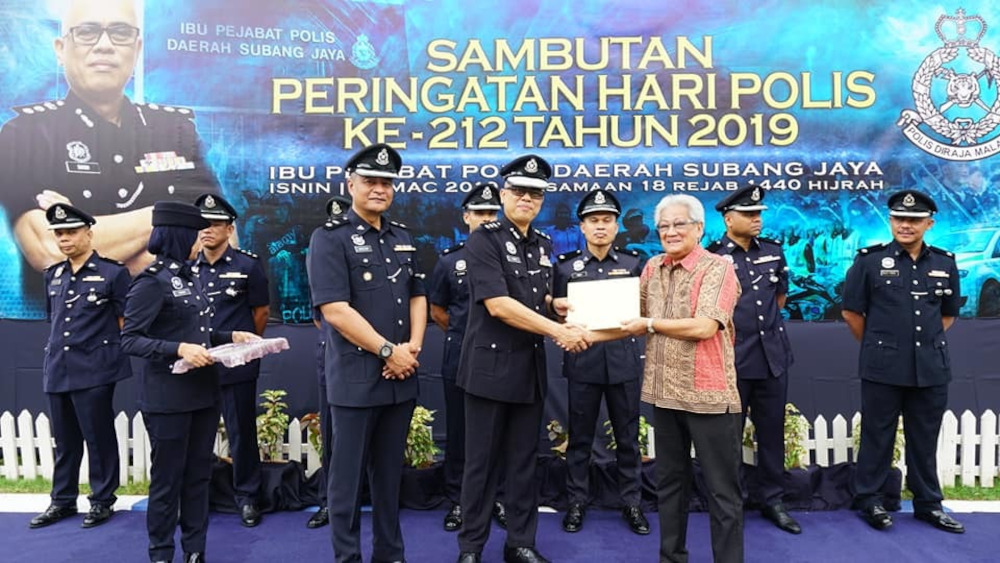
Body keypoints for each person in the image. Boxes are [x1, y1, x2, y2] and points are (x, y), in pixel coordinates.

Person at [0, 0, 221, 313]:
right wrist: (173, 217)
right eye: (88, 32)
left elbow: (219, 243)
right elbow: (50, 251)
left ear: (137, 48)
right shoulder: (25, 135)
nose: (104, 46)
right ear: (61, 49)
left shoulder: (176, 131)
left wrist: (84, 231)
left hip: (171, 329)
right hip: (74, 329)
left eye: (119, 33)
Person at [594, 194, 744, 562]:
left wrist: (648, 324)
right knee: (669, 486)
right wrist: (581, 330)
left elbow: (705, 326)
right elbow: (627, 319)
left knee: (722, 492)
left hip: (708, 395)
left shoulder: (717, 268)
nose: (671, 232)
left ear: (699, 228)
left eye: (680, 224)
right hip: (664, 395)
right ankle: (671, 557)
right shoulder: (652, 268)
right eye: (664, 226)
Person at [456, 155, 588, 563]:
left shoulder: (543, 244)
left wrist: (557, 306)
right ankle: (471, 547)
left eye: (536, 193)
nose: (527, 198)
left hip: (528, 371)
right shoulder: (485, 238)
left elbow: (535, 298)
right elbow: (499, 305)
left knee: (524, 463)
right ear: (503, 195)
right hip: (489, 370)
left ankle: (520, 543)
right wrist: (557, 330)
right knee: (481, 465)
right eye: (519, 191)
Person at [121, 201, 259, 563]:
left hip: (202, 393)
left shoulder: (188, 277)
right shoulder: (150, 283)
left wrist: (231, 336)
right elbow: (130, 338)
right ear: (179, 236)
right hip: (167, 398)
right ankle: (161, 552)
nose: (201, 242)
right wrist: (177, 348)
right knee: (168, 480)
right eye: (195, 235)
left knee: (198, 476)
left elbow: (195, 330)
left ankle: (195, 550)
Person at [307, 144, 426, 563]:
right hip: (357, 379)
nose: (379, 189)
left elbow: (417, 296)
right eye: (370, 181)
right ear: (350, 184)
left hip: (400, 378)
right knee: (346, 480)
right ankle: (348, 557)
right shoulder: (328, 238)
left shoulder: (403, 238)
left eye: (386, 182)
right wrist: (387, 350)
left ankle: (390, 554)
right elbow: (335, 310)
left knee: (390, 477)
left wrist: (411, 348)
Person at [842, 189, 964, 534]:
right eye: (899, 219)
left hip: (931, 366)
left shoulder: (944, 262)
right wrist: (882, 345)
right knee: (877, 437)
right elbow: (852, 312)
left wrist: (919, 345)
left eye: (913, 220)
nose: (905, 225)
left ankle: (928, 504)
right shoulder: (868, 261)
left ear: (929, 223)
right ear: (890, 220)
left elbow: (948, 314)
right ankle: (871, 500)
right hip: (883, 366)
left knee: (924, 439)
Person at [28, 204, 132, 530]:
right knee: (65, 440)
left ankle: (102, 500)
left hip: (96, 368)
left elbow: (124, 321)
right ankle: (62, 500)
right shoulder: (53, 275)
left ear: (88, 232)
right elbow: (55, 321)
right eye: (59, 233)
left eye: (71, 232)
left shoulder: (113, 273)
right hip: (59, 366)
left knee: (98, 438)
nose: (64, 238)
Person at [552, 190, 648, 536]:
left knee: (628, 438)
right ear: (582, 226)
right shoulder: (564, 267)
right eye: (593, 221)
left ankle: (632, 503)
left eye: (607, 220)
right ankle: (577, 502)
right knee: (579, 439)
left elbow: (642, 311)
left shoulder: (633, 263)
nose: (600, 227)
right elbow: (555, 312)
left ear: (616, 225)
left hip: (623, 362)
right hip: (583, 362)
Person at [706, 184, 801, 534]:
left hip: (772, 358)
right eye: (748, 214)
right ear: (729, 219)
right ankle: (731, 501)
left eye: (759, 213)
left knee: (771, 432)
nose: (756, 219)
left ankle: (773, 499)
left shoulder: (775, 252)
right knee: (727, 436)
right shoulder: (713, 258)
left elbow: (779, 299)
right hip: (731, 360)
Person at [428, 183, 507, 532]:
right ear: (466, 217)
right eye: (480, 213)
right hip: (460, 356)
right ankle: (459, 501)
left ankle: (499, 498)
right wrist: (469, 337)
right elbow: (438, 311)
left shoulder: (511, 256)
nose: (487, 219)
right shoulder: (449, 261)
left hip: (504, 358)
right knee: (460, 432)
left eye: (492, 213)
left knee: (501, 433)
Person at [192, 193, 270, 527]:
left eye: (214, 224)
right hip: (196, 363)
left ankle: (248, 496)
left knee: (241, 432)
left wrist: (241, 347)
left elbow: (261, 313)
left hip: (236, 365)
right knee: (195, 434)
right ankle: (197, 495)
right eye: (202, 225)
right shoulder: (186, 268)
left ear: (228, 228)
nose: (207, 230)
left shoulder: (247, 266)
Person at [306, 194, 351, 530]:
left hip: (372, 354)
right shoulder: (322, 250)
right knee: (332, 435)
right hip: (333, 355)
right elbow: (322, 316)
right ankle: (330, 503)